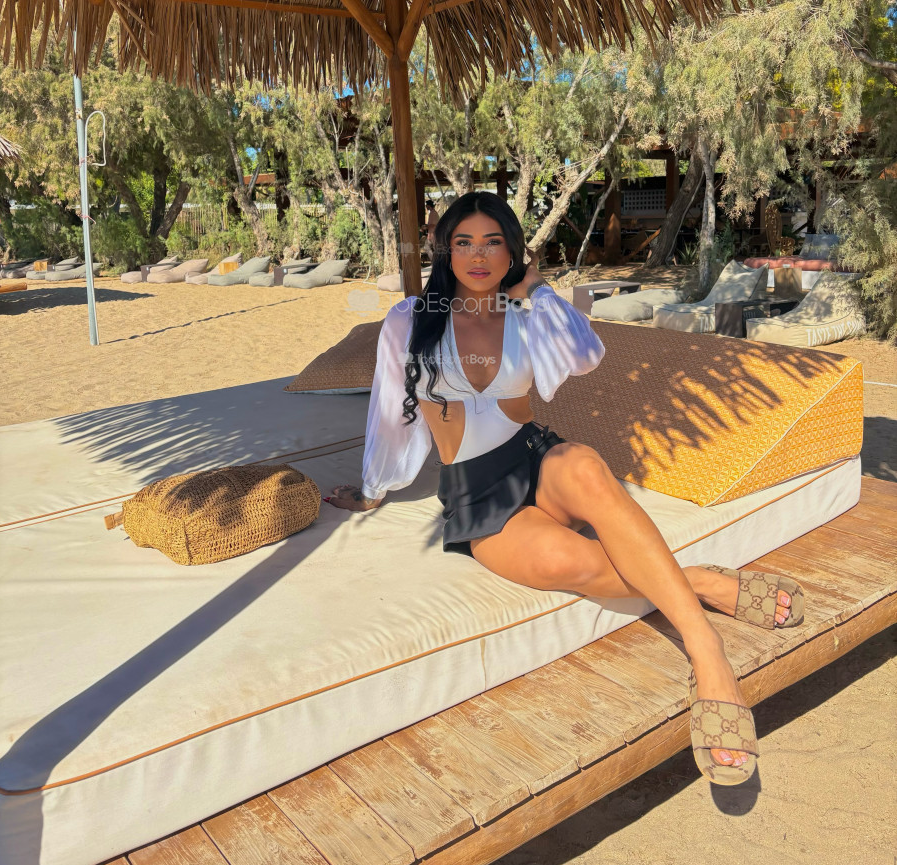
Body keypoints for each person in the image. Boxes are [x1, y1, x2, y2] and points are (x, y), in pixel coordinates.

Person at [330, 191, 802, 785]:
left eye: (493, 242)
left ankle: (707, 653)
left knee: (583, 464)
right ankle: (701, 583)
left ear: (513, 252)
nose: (478, 256)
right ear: (444, 251)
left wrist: (537, 290)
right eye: (463, 243)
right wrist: (374, 488)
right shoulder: (409, 321)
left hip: (535, 459)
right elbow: (389, 414)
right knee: (568, 562)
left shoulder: (526, 313)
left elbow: (586, 354)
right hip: (477, 495)